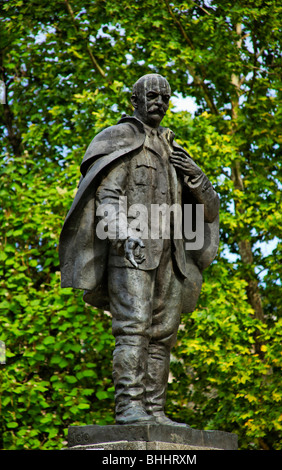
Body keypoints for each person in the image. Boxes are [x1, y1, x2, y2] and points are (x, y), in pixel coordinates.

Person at [59, 73, 219, 426]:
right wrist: (122, 235)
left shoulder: (177, 151)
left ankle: (156, 411)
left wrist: (196, 175)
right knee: (133, 329)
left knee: (162, 335)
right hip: (131, 251)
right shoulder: (120, 140)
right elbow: (108, 197)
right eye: (152, 96)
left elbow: (207, 211)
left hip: (172, 255)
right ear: (135, 99)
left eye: (165, 97)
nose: (159, 102)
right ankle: (129, 407)